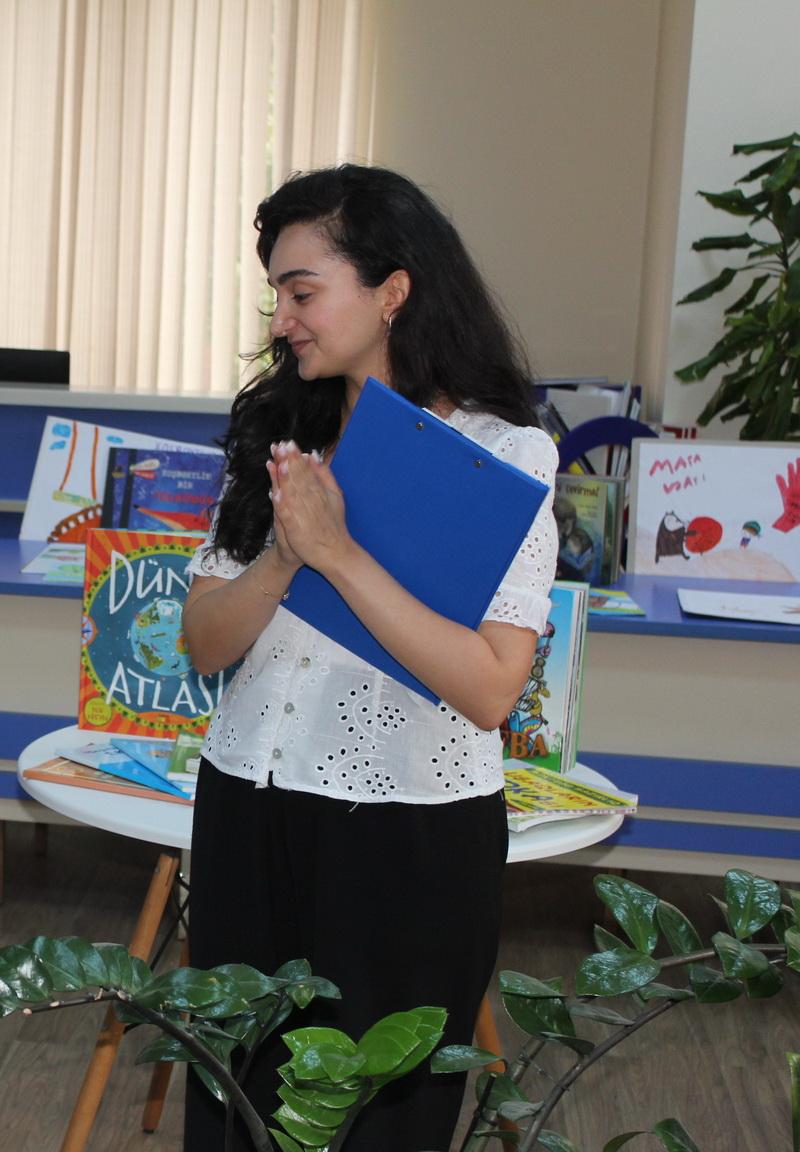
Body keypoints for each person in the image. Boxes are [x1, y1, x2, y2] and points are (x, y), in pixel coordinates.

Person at [180, 164, 558, 1149]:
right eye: (275, 293)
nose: (282, 319)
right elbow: (205, 641)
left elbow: (491, 688)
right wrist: (284, 554)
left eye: (302, 292)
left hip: (407, 836)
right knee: (234, 1106)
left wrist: (340, 555)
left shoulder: (501, 453)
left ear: (393, 290)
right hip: (247, 807)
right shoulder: (277, 428)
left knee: (376, 1121)